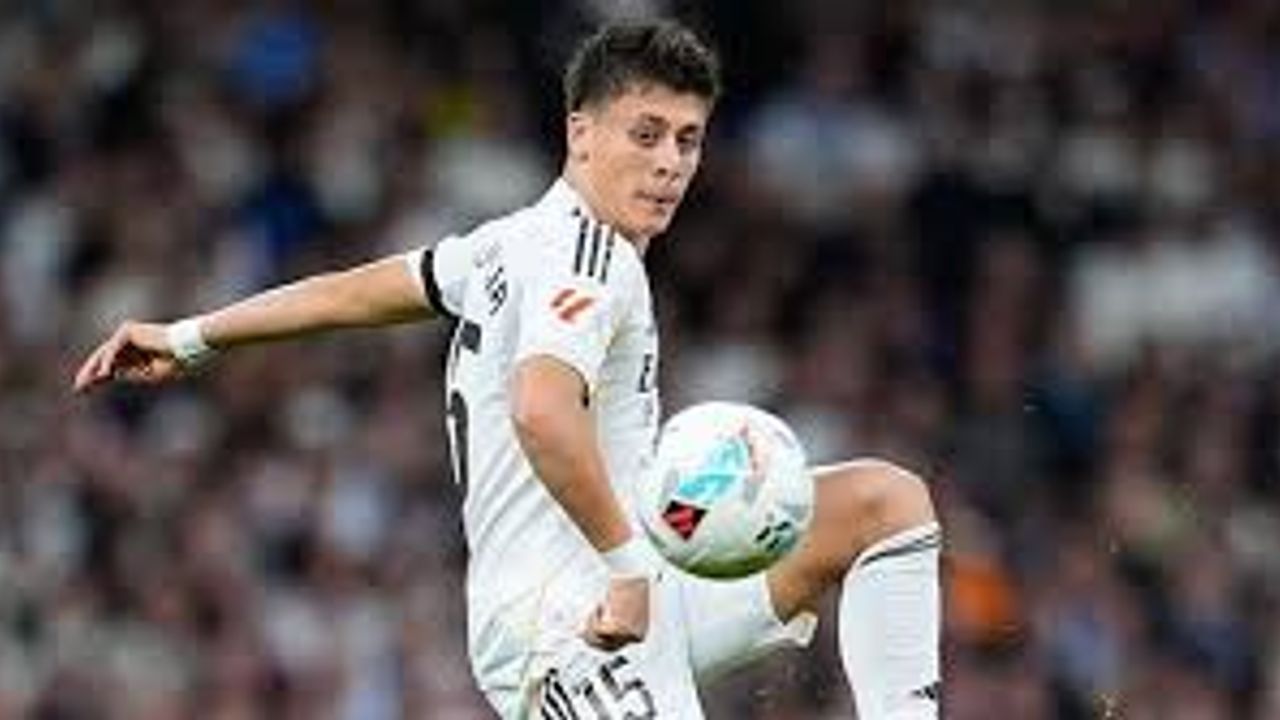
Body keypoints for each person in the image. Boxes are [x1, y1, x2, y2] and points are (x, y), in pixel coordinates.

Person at [73, 19, 940, 719]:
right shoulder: (589, 259)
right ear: (580, 133)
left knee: (883, 504)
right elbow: (541, 409)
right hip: (566, 625)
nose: (670, 163)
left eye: (688, 140)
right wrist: (629, 570)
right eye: (645, 134)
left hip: (633, 584)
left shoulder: (507, 243)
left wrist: (193, 336)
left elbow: (360, 291)